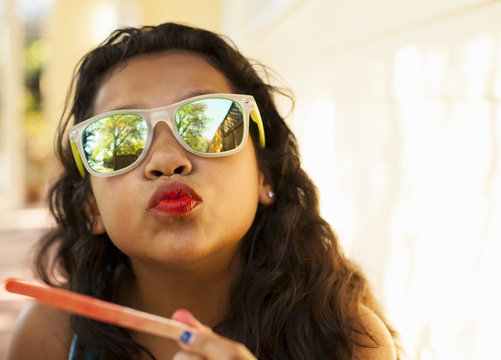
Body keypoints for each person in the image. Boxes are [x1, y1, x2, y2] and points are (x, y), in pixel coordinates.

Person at [7, 23, 399, 360]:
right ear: (90, 205)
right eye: (118, 139)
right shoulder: (48, 339)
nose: (166, 158)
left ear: (266, 175)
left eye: (207, 122)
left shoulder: (350, 343)